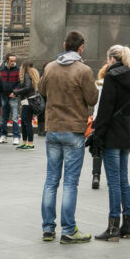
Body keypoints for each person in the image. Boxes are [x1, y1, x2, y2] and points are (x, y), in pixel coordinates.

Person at [38, 30, 100, 244]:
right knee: (70, 184)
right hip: (73, 131)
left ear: (64, 45)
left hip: (53, 129)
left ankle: (47, 229)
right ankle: (68, 230)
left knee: (51, 181)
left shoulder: (50, 67)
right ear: (81, 47)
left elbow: (42, 90)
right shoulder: (83, 70)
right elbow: (92, 98)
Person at [92, 45, 130, 241]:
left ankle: (113, 227)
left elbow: (105, 109)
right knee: (123, 181)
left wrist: (98, 134)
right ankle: (128, 225)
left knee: (113, 181)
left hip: (112, 134)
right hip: (126, 133)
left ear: (111, 59)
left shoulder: (112, 77)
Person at [16, 60, 41, 150]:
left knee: (26, 123)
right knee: (25, 122)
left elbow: (27, 87)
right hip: (29, 100)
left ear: (24, 66)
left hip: (27, 101)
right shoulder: (33, 73)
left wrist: (16, 92)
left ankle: (30, 143)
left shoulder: (26, 74)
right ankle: (25, 142)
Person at [0, 54, 21, 145]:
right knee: (3, 117)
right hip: (3, 95)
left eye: (14, 61)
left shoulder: (18, 70)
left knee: (14, 117)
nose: (13, 62)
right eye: (11, 61)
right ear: (7, 60)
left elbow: (20, 83)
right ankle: (3, 136)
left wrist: (15, 92)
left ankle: (16, 137)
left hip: (13, 96)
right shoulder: (1, 69)